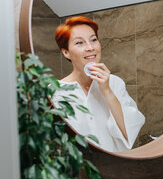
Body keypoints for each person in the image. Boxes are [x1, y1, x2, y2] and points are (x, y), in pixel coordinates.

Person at [52, 16, 145, 152]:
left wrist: (106, 90)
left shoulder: (115, 83)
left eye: (93, 40)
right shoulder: (56, 92)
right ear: (66, 52)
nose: (90, 48)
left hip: (115, 166)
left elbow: (129, 133)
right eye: (79, 43)